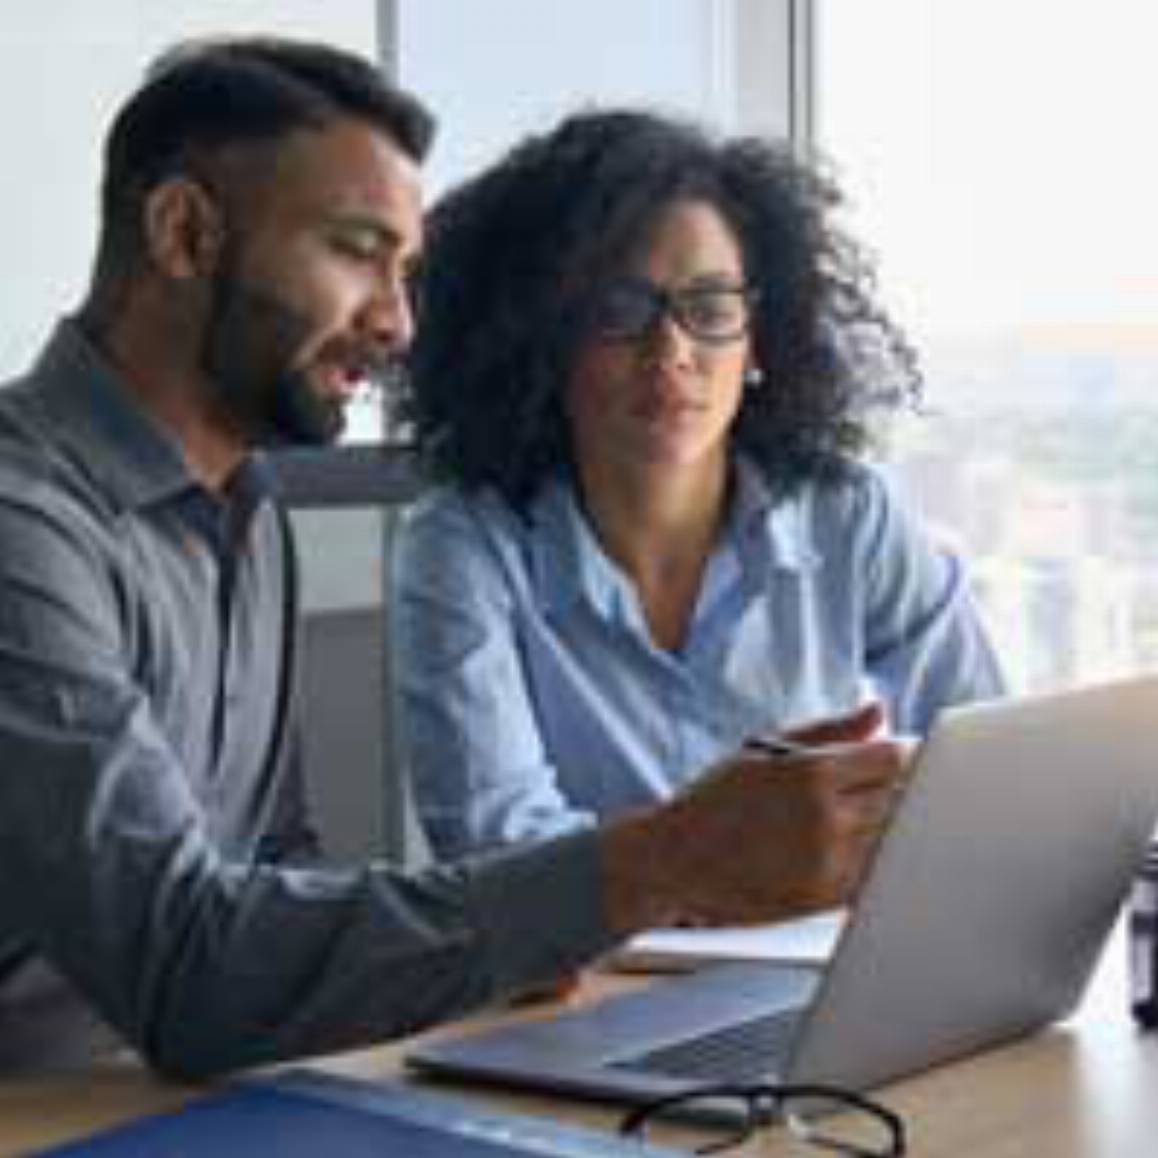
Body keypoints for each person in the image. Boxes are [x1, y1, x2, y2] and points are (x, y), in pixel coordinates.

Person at [0, 37, 906, 1080]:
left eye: (408, 273)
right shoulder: (24, 525)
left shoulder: (243, 506)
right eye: (355, 251)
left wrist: (493, 940)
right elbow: (187, 970)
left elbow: (279, 877)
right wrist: (662, 862)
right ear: (186, 231)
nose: (396, 324)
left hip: (172, 1100)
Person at [394, 108, 1003, 859]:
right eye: (620, 310)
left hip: (830, 958)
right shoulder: (463, 546)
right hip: (592, 976)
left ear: (757, 339)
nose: (672, 351)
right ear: (543, 338)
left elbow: (985, 755)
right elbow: (499, 854)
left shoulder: (849, 513)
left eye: (711, 309)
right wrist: (734, 857)